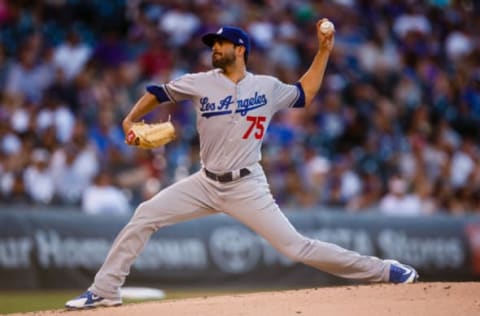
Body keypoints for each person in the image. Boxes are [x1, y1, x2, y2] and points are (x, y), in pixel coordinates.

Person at [65, 19, 419, 309]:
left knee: (296, 247)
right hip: (205, 183)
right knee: (145, 214)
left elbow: (305, 93)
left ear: (240, 49)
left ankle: (385, 270)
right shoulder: (200, 82)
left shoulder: (266, 87)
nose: (214, 49)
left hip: (247, 185)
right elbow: (158, 92)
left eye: (221, 44)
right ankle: (105, 289)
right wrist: (129, 121)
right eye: (212, 45)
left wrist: (324, 51)